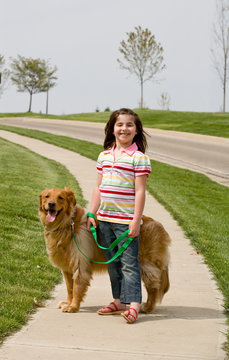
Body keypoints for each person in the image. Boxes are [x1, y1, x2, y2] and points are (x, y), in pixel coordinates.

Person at [87, 108, 151, 324]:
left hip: (125, 222)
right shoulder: (104, 155)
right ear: (112, 129)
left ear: (136, 130)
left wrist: (136, 220)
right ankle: (119, 300)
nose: (124, 128)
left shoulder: (139, 158)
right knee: (112, 264)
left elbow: (140, 191)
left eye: (129, 125)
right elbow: (99, 187)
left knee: (129, 263)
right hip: (104, 219)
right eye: (120, 124)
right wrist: (91, 212)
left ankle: (134, 305)